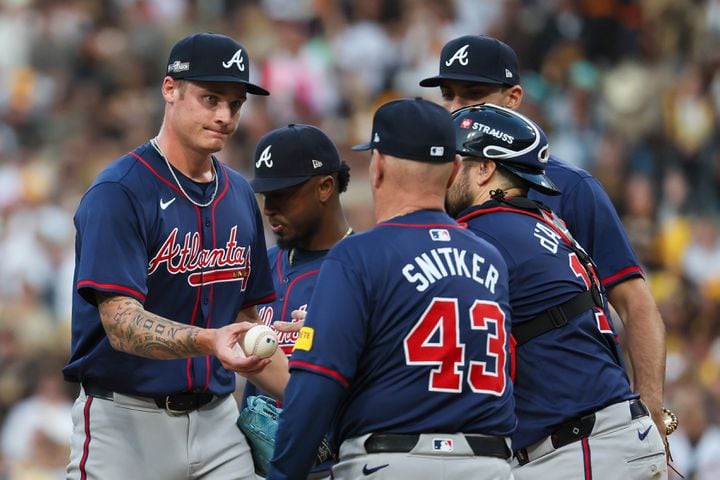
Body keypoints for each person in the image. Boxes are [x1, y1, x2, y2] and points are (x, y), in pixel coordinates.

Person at [63, 32, 289, 480]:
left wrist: (318, 401)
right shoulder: (120, 191)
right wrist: (211, 341)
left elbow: (245, 321)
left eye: (235, 103)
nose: (225, 116)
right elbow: (123, 325)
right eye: (211, 99)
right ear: (170, 89)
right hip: (126, 425)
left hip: (219, 424)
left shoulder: (240, 194)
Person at [420, 34, 668, 440]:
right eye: (448, 95)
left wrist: (651, 411)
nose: (457, 108)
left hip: (575, 420)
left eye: (474, 93)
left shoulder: (568, 187)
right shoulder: (441, 188)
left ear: (514, 97)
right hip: (495, 427)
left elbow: (635, 304)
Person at [267, 98, 517, 480]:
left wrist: (283, 474)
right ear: (453, 171)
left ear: (378, 166)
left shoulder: (358, 255)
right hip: (489, 464)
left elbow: (315, 384)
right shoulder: (492, 258)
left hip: (392, 461)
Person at [446, 103, 667, 478]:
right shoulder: (541, 224)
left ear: (485, 169)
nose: (442, 174)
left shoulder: (484, 233)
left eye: (452, 162)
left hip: (579, 451)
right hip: (608, 440)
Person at [247, 123, 353, 479]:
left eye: (283, 194)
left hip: (342, 465)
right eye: (265, 195)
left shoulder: (367, 267)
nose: (269, 208)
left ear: (325, 186)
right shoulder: (261, 263)